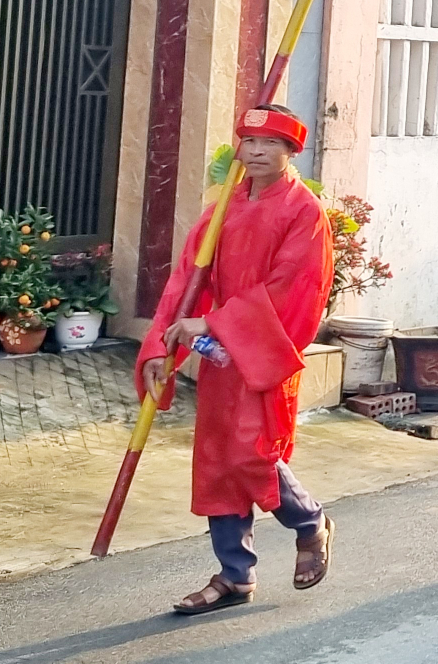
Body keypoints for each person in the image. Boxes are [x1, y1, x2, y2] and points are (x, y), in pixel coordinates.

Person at [135, 105, 336, 615]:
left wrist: (220, 323)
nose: (257, 152)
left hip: (264, 349)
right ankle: (235, 575)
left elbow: (296, 288)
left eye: (271, 144)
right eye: (249, 142)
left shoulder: (303, 213)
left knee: (255, 453)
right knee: (217, 463)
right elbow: (186, 283)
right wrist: (164, 346)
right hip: (219, 360)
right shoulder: (221, 208)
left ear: (292, 151)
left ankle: (310, 524)